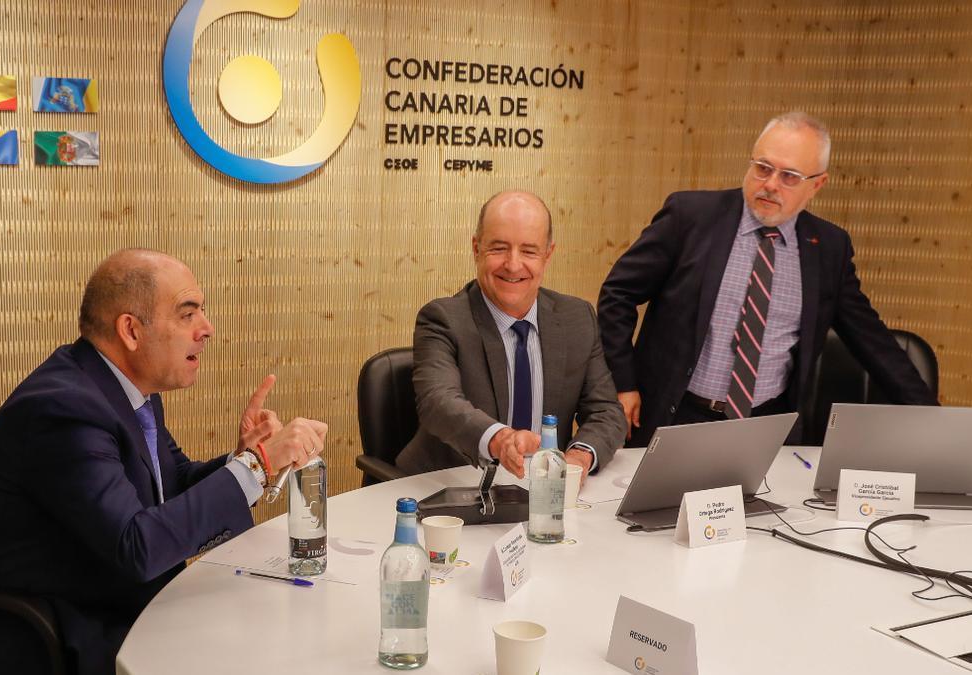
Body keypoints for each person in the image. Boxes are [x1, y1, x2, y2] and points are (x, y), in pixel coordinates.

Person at [0, 249, 328, 675]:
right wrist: (256, 468)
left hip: (121, 602)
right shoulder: (64, 409)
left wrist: (245, 458)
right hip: (67, 630)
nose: (207, 329)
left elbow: (171, 487)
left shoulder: (127, 391)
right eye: (188, 314)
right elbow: (137, 548)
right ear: (131, 330)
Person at [597, 111, 936, 446]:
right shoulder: (690, 217)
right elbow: (618, 294)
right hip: (677, 415)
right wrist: (624, 383)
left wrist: (936, 420)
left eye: (789, 176)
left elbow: (871, 340)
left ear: (817, 184)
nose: (770, 184)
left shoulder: (828, 248)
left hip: (767, 428)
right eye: (763, 168)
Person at [395, 190, 626, 480]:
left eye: (529, 251)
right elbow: (439, 403)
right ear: (476, 249)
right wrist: (500, 440)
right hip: (451, 489)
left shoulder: (576, 318)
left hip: (543, 494)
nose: (513, 264)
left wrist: (578, 456)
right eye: (499, 248)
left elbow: (607, 411)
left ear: (548, 255)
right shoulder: (443, 320)